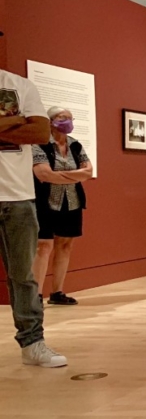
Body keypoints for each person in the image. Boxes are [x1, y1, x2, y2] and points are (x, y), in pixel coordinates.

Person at [0, 68, 67, 367]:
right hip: (18, 197)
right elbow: (28, 127)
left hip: (18, 196)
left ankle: (32, 343)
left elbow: (40, 132)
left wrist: (25, 124)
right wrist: (15, 122)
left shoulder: (19, 85)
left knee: (23, 276)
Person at [31, 106, 93, 306]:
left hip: (72, 201)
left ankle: (57, 291)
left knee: (65, 245)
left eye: (69, 117)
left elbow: (89, 171)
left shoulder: (75, 145)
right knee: (43, 246)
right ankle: (36, 294)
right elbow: (43, 174)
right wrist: (75, 175)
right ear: (50, 121)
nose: (67, 121)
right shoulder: (39, 144)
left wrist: (58, 177)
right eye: (61, 117)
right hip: (45, 202)